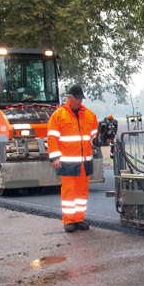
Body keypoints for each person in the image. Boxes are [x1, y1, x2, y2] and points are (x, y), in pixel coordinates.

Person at [47, 84, 99, 233]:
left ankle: (79, 219)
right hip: (67, 162)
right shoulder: (58, 115)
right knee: (69, 191)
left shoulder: (89, 115)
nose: (78, 102)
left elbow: (95, 136)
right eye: (76, 99)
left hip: (84, 161)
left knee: (82, 192)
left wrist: (104, 139)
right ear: (69, 97)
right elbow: (52, 138)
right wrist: (55, 158)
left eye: (80, 99)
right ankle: (69, 221)